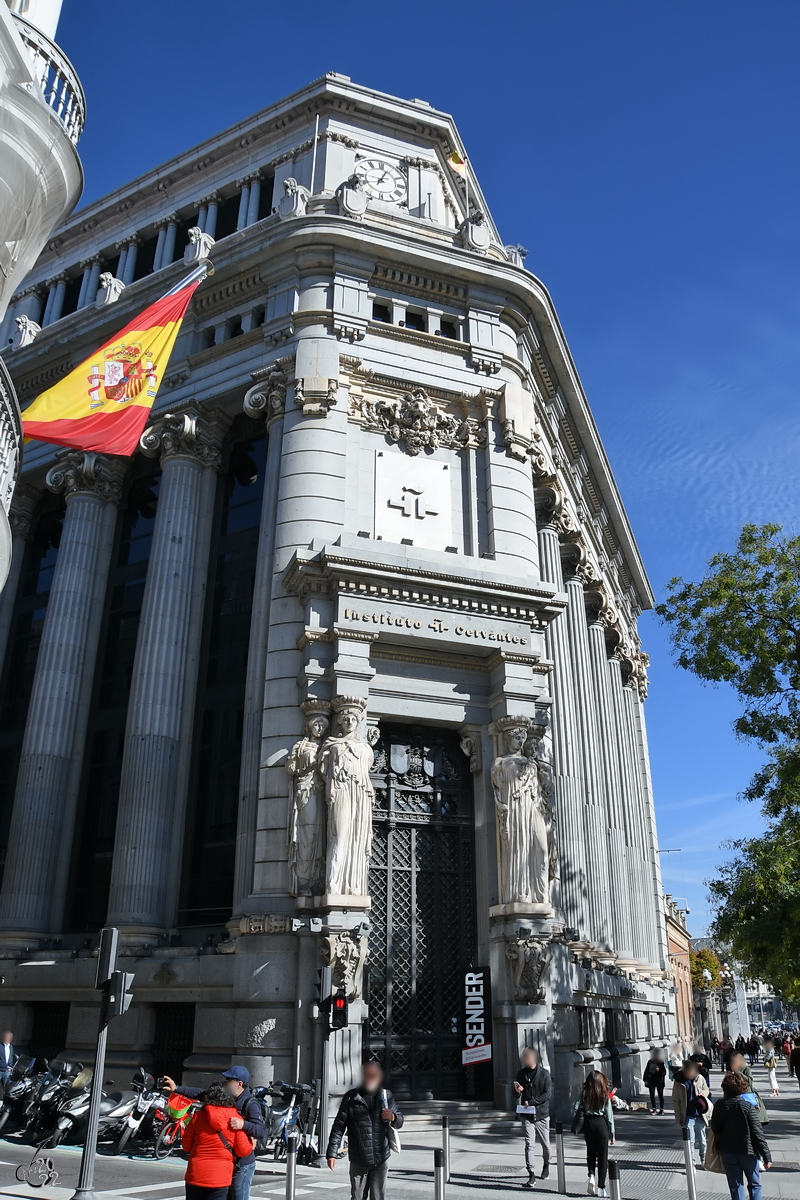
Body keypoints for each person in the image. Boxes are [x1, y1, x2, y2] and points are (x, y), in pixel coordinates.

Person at [163, 1066, 265, 1200]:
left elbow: (260, 1130)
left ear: (239, 1084)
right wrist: (177, 1089)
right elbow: (199, 1093)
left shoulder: (250, 1103)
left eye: (229, 1079)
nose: (226, 1082)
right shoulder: (224, 1099)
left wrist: (243, 1124)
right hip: (225, 1168)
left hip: (241, 1165)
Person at [326, 1062, 403, 1200]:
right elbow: (338, 1127)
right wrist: (331, 1153)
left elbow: (400, 1121)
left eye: (373, 1077)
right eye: (366, 1076)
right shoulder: (351, 1098)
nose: (369, 1080)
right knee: (357, 1197)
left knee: (378, 1197)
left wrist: (392, 1116)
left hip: (381, 1158)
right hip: (359, 1160)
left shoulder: (386, 1096)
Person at [181, 1082, 255, 1200]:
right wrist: (252, 1143)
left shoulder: (198, 1117)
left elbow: (185, 1146)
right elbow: (243, 1151)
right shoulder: (235, 1119)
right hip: (220, 1178)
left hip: (195, 1174)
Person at [709, 1072, 771, 1200]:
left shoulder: (719, 1105)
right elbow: (757, 1132)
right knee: (754, 1184)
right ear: (742, 1088)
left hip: (728, 1151)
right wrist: (766, 1156)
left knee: (735, 1185)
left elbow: (715, 1127)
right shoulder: (747, 1106)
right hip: (747, 1151)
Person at [513, 1046, 553, 1186]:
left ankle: (547, 1164)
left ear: (534, 1058)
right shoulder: (521, 1074)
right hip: (527, 1115)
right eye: (524, 1058)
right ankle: (531, 1173)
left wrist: (532, 1102)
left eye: (528, 1058)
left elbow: (547, 1094)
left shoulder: (544, 1074)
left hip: (542, 1114)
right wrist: (518, 1091)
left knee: (546, 1145)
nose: (526, 1061)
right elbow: (516, 1094)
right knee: (529, 1144)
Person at [573, 1070, 615, 1198]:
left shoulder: (584, 1094)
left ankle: (591, 1176)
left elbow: (575, 1106)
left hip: (588, 1124)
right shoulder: (604, 1095)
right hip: (601, 1124)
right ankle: (601, 1187)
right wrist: (612, 1133)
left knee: (590, 1152)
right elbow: (609, 1116)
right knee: (602, 1156)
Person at [672, 1059, 711, 1167]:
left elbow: (706, 1089)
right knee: (690, 1141)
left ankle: (704, 1160)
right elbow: (675, 1100)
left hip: (700, 1114)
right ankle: (691, 1163)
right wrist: (678, 1116)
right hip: (687, 1114)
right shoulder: (678, 1081)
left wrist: (702, 1094)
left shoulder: (700, 1078)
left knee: (702, 1140)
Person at [729, 1053, 767, 1125]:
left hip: (747, 1094)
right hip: (736, 1095)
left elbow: (749, 1081)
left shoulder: (746, 1069)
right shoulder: (731, 1071)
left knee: (750, 1116)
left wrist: (738, 1072)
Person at [642, 1050, 666, 1115]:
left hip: (659, 1081)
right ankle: (654, 1108)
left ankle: (661, 1109)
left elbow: (664, 1072)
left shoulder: (661, 1062)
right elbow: (646, 1070)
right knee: (652, 1095)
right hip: (651, 1080)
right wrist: (645, 1079)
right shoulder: (650, 1062)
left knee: (660, 1095)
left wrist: (659, 1070)